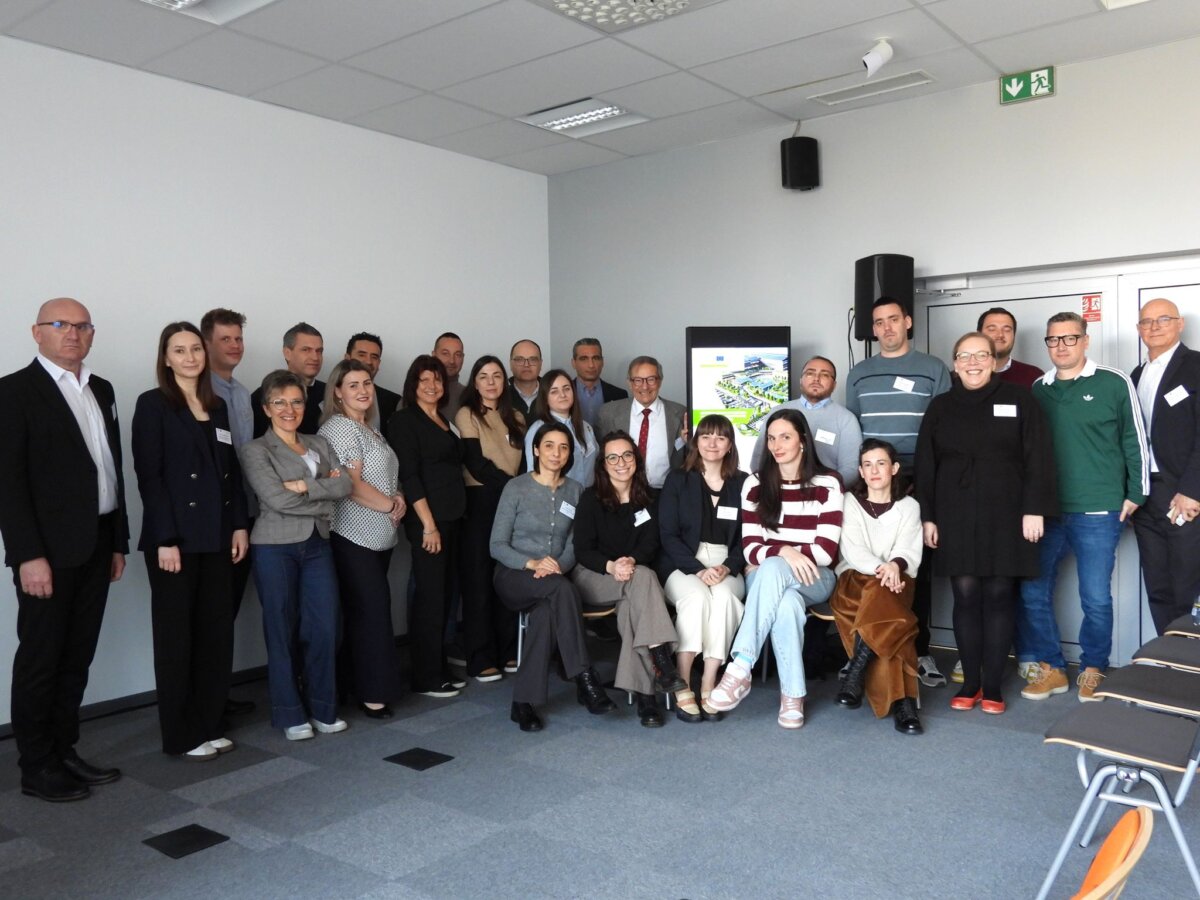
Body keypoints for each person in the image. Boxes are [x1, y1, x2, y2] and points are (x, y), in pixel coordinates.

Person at [0, 298, 129, 802]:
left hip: (97, 542)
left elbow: (112, 470)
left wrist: (117, 541)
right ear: (37, 332)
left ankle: (64, 749)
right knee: (42, 657)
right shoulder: (14, 392)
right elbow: (8, 484)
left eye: (82, 326)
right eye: (60, 324)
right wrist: (26, 555)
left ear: (92, 334)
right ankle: (37, 766)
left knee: (77, 655)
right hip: (47, 554)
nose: (72, 333)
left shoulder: (102, 388)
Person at [915, 333, 1057, 714]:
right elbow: (926, 465)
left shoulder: (1020, 399)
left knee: (998, 595)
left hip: (1008, 513)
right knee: (965, 596)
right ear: (955, 363)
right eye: (965, 356)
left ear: (994, 361)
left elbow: (1039, 456)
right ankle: (971, 683)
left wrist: (1035, 509)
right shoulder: (940, 406)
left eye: (981, 355)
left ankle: (992, 686)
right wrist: (928, 517)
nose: (973, 363)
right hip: (954, 514)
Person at [132, 322, 249, 759]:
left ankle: (210, 722)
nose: (189, 357)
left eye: (195, 349)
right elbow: (150, 476)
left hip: (217, 536)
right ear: (165, 358)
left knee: (215, 635)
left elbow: (229, 473)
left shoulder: (216, 406)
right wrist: (164, 537)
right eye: (179, 350)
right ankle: (182, 734)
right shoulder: (153, 404)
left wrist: (239, 524)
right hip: (175, 541)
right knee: (177, 640)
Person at [1018, 312, 1147, 702]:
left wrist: (1137, 493)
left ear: (1085, 340)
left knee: (1095, 597)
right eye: (1053, 339)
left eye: (1070, 338)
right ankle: (1053, 668)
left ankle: (1094, 668)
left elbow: (1134, 438)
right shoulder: (1039, 389)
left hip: (1098, 509)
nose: (1061, 346)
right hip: (1048, 511)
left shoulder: (1113, 382)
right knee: (1033, 591)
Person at [708, 409, 843, 729]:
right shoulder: (755, 484)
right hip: (767, 578)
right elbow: (750, 547)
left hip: (816, 577)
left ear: (803, 441)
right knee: (785, 604)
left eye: (785, 437)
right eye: (771, 438)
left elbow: (825, 552)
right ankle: (793, 696)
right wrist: (784, 551)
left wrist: (781, 555)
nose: (777, 445)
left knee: (770, 568)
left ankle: (740, 666)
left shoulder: (828, 483)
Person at [845, 297, 952, 688]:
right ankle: (871, 650)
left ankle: (919, 651)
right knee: (872, 563)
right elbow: (854, 429)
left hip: (918, 480)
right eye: (879, 322)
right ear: (872, 329)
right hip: (872, 480)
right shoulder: (859, 374)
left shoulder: (933, 368)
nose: (887, 327)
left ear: (907, 322)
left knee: (913, 569)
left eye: (893, 319)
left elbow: (944, 428)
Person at [240, 370, 351, 740]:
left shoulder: (319, 442)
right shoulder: (256, 450)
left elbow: (345, 484)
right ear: (266, 408)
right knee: (282, 630)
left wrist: (304, 485)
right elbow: (276, 499)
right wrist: (323, 497)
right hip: (275, 547)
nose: (289, 409)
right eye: (280, 402)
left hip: (317, 545)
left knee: (325, 628)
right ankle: (290, 713)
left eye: (297, 401)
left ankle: (323, 707)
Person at [490, 421, 615, 731]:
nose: (556, 453)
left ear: (570, 454)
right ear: (536, 449)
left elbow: (575, 544)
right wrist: (532, 564)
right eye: (549, 445)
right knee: (562, 590)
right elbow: (497, 545)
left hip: (555, 579)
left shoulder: (576, 491)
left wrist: (557, 566)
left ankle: (523, 702)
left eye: (563, 447)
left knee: (547, 611)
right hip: (514, 575)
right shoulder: (516, 487)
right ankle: (584, 676)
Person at [571, 432, 688, 727]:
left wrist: (631, 561)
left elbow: (651, 543)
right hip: (595, 575)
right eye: (612, 457)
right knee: (644, 579)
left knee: (631, 607)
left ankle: (646, 697)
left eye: (627, 455)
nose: (621, 462)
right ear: (603, 464)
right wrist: (612, 566)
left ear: (636, 459)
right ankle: (661, 659)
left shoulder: (650, 498)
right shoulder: (590, 499)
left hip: (634, 577)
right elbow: (583, 550)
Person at [317, 359, 406, 718]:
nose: (363, 390)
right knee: (371, 614)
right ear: (337, 392)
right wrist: (390, 505)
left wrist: (398, 497)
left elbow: (385, 476)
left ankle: (357, 685)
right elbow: (350, 485)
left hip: (378, 536)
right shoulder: (339, 428)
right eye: (352, 385)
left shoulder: (370, 428)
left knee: (366, 613)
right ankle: (372, 694)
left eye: (366, 383)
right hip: (353, 536)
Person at [656, 414, 748, 723]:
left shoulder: (743, 482)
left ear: (730, 445)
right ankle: (682, 681)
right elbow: (667, 534)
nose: (712, 443)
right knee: (696, 598)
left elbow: (749, 536)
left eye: (721, 437)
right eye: (706, 436)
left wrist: (728, 567)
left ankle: (709, 681)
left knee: (724, 599)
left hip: (726, 562)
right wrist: (697, 569)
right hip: (683, 561)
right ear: (696, 441)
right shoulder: (678, 478)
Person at [830, 440, 924, 734]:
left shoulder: (909, 506)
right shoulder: (849, 502)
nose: (874, 470)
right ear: (860, 471)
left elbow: (908, 548)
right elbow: (854, 551)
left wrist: (895, 565)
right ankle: (905, 704)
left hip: (898, 580)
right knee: (895, 622)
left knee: (884, 604)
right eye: (867, 465)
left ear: (894, 468)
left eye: (881, 463)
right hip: (855, 581)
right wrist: (885, 569)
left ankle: (856, 671)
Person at [387, 355, 467, 698]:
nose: (432, 386)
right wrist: (428, 526)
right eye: (424, 380)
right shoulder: (404, 421)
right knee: (429, 598)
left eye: (437, 379)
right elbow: (410, 475)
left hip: (453, 517)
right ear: (413, 385)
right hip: (428, 522)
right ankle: (425, 676)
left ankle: (438, 666)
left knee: (445, 595)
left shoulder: (444, 420)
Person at [200, 306, 258, 717]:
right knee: (211, 614)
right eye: (225, 339)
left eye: (238, 338)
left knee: (228, 611)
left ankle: (217, 694)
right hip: (214, 520)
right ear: (206, 344)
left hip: (246, 514)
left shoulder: (242, 392)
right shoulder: (199, 392)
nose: (235, 345)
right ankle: (206, 704)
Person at [1130, 299, 1200, 635]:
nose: (1154, 327)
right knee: (1157, 586)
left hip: (1183, 494)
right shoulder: (1136, 375)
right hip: (1147, 496)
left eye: (1163, 319)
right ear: (1139, 329)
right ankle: (1167, 654)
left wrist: (1191, 490)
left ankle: (1191, 659)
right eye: (1147, 321)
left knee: (1188, 585)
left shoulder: (1196, 366)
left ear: (1180, 324)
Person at [454, 355, 525, 682]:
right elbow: (475, 463)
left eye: (497, 375)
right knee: (479, 580)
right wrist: (512, 487)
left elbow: (524, 465)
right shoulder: (467, 414)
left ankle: (508, 649)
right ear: (475, 382)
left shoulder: (517, 417)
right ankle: (480, 656)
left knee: (507, 576)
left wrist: (519, 492)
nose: (491, 382)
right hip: (481, 501)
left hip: (512, 502)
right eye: (483, 376)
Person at [750, 355, 862, 486]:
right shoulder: (777, 413)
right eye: (810, 373)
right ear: (800, 380)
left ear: (834, 385)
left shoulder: (846, 419)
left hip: (826, 494)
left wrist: (821, 490)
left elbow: (851, 470)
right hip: (779, 491)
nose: (816, 378)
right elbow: (758, 460)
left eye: (825, 375)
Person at [597, 356, 687, 491]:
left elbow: (689, 456)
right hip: (621, 492)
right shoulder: (608, 413)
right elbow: (601, 457)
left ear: (660, 381)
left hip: (665, 492)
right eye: (638, 380)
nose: (645, 386)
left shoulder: (680, 413)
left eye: (651, 379)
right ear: (629, 383)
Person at [523, 368, 599, 487]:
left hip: (588, 495)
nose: (562, 395)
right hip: (556, 496)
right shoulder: (538, 429)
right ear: (545, 398)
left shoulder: (586, 427)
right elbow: (533, 475)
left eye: (566, 389)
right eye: (554, 391)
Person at [251, 322, 326, 437]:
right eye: (306, 350)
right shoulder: (265, 394)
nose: (315, 357)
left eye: (319, 351)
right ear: (287, 353)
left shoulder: (330, 392)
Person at [345, 331, 401, 433]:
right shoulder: (326, 397)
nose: (368, 361)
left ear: (379, 363)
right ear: (347, 359)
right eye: (362, 355)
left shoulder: (394, 402)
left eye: (374, 357)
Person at [978, 307, 1043, 389]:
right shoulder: (965, 374)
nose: (1000, 335)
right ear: (978, 335)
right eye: (992, 329)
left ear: (1014, 335)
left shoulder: (1034, 377)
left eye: (1007, 330)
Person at [571, 338, 627, 427]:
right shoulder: (562, 393)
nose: (591, 365)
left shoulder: (619, 395)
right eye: (584, 359)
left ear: (602, 362)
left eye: (596, 358)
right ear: (573, 363)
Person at [432, 332, 466, 418]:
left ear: (463, 358)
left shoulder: (469, 396)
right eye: (445, 353)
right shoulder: (419, 390)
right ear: (434, 355)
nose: (452, 361)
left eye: (457, 355)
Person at [508, 338, 543, 418]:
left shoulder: (553, 393)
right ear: (510, 364)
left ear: (540, 364)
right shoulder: (500, 396)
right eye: (519, 360)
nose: (526, 365)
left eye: (533, 360)